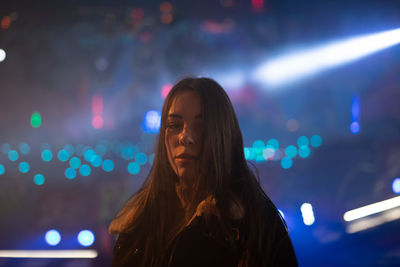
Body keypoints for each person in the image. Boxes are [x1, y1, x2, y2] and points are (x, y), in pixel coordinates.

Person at [109, 77, 298, 267]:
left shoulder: (255, 223)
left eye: (200, 127)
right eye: (174, 125)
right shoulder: (139, 223)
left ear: (222, 135)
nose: (185, 137)